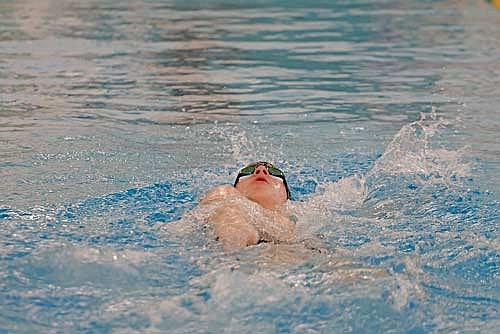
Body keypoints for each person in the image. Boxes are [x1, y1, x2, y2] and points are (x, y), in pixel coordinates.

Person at [199, 161, 296, 251]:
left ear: (286, 196)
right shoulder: (226, 195)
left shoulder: (303, 218)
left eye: (274, 172)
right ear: (237, 188)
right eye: (248, 171)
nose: (261, 170)